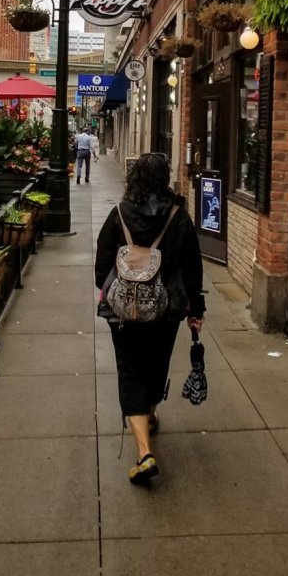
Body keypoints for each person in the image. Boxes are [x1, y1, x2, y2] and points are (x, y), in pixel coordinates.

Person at [95, 152, 205, 484]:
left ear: (135, 179)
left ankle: (144, 453)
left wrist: (116, 287)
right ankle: (151, 412)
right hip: (166, 310)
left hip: (124, 313)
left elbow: (101, 265)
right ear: (164, 179)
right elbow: (192, 267)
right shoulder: (178, 217)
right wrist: (195, 311)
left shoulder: (119, 214)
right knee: (157, 365)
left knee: (130, 371)